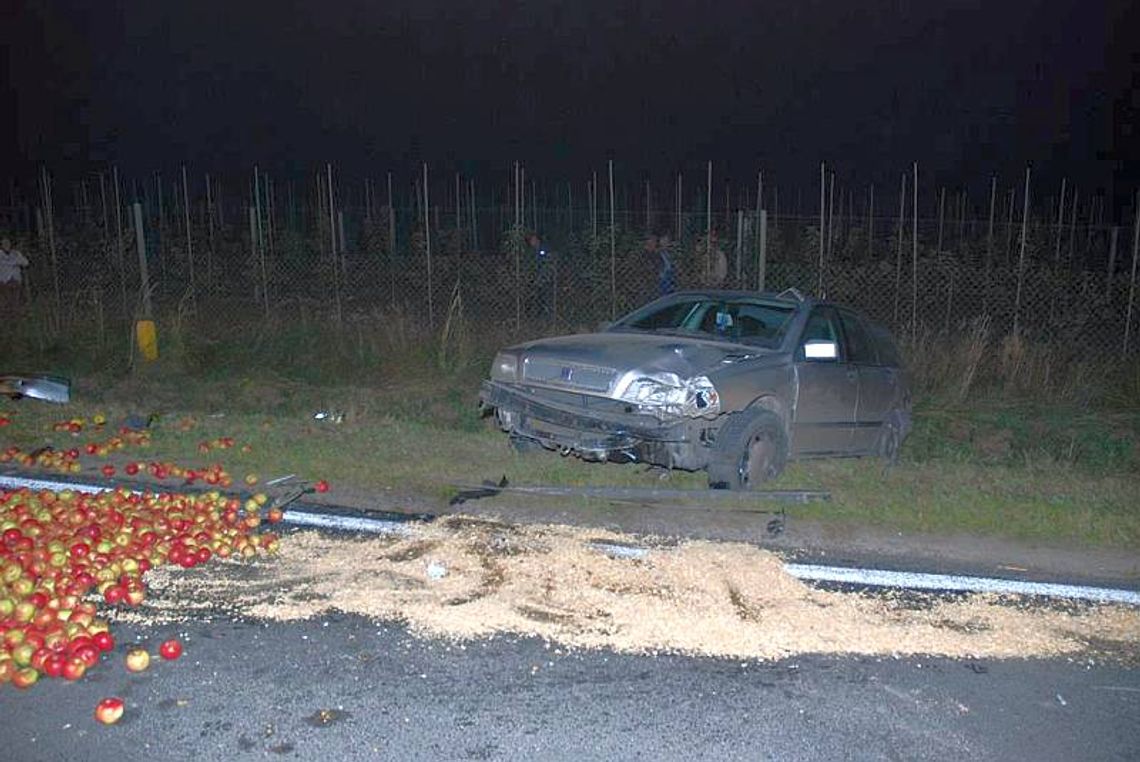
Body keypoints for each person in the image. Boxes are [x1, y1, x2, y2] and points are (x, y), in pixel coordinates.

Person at [0, 237, 29, 317]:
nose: (6, 246)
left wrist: (17, 261)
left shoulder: (16, 254)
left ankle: (16, 316)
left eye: (8, 244)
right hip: (4, 282)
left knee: (16, 300)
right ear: (1, 246)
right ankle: (6, 316)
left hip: (15, 281)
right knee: (5, 301)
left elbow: (25, 263)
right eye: (4, 244)